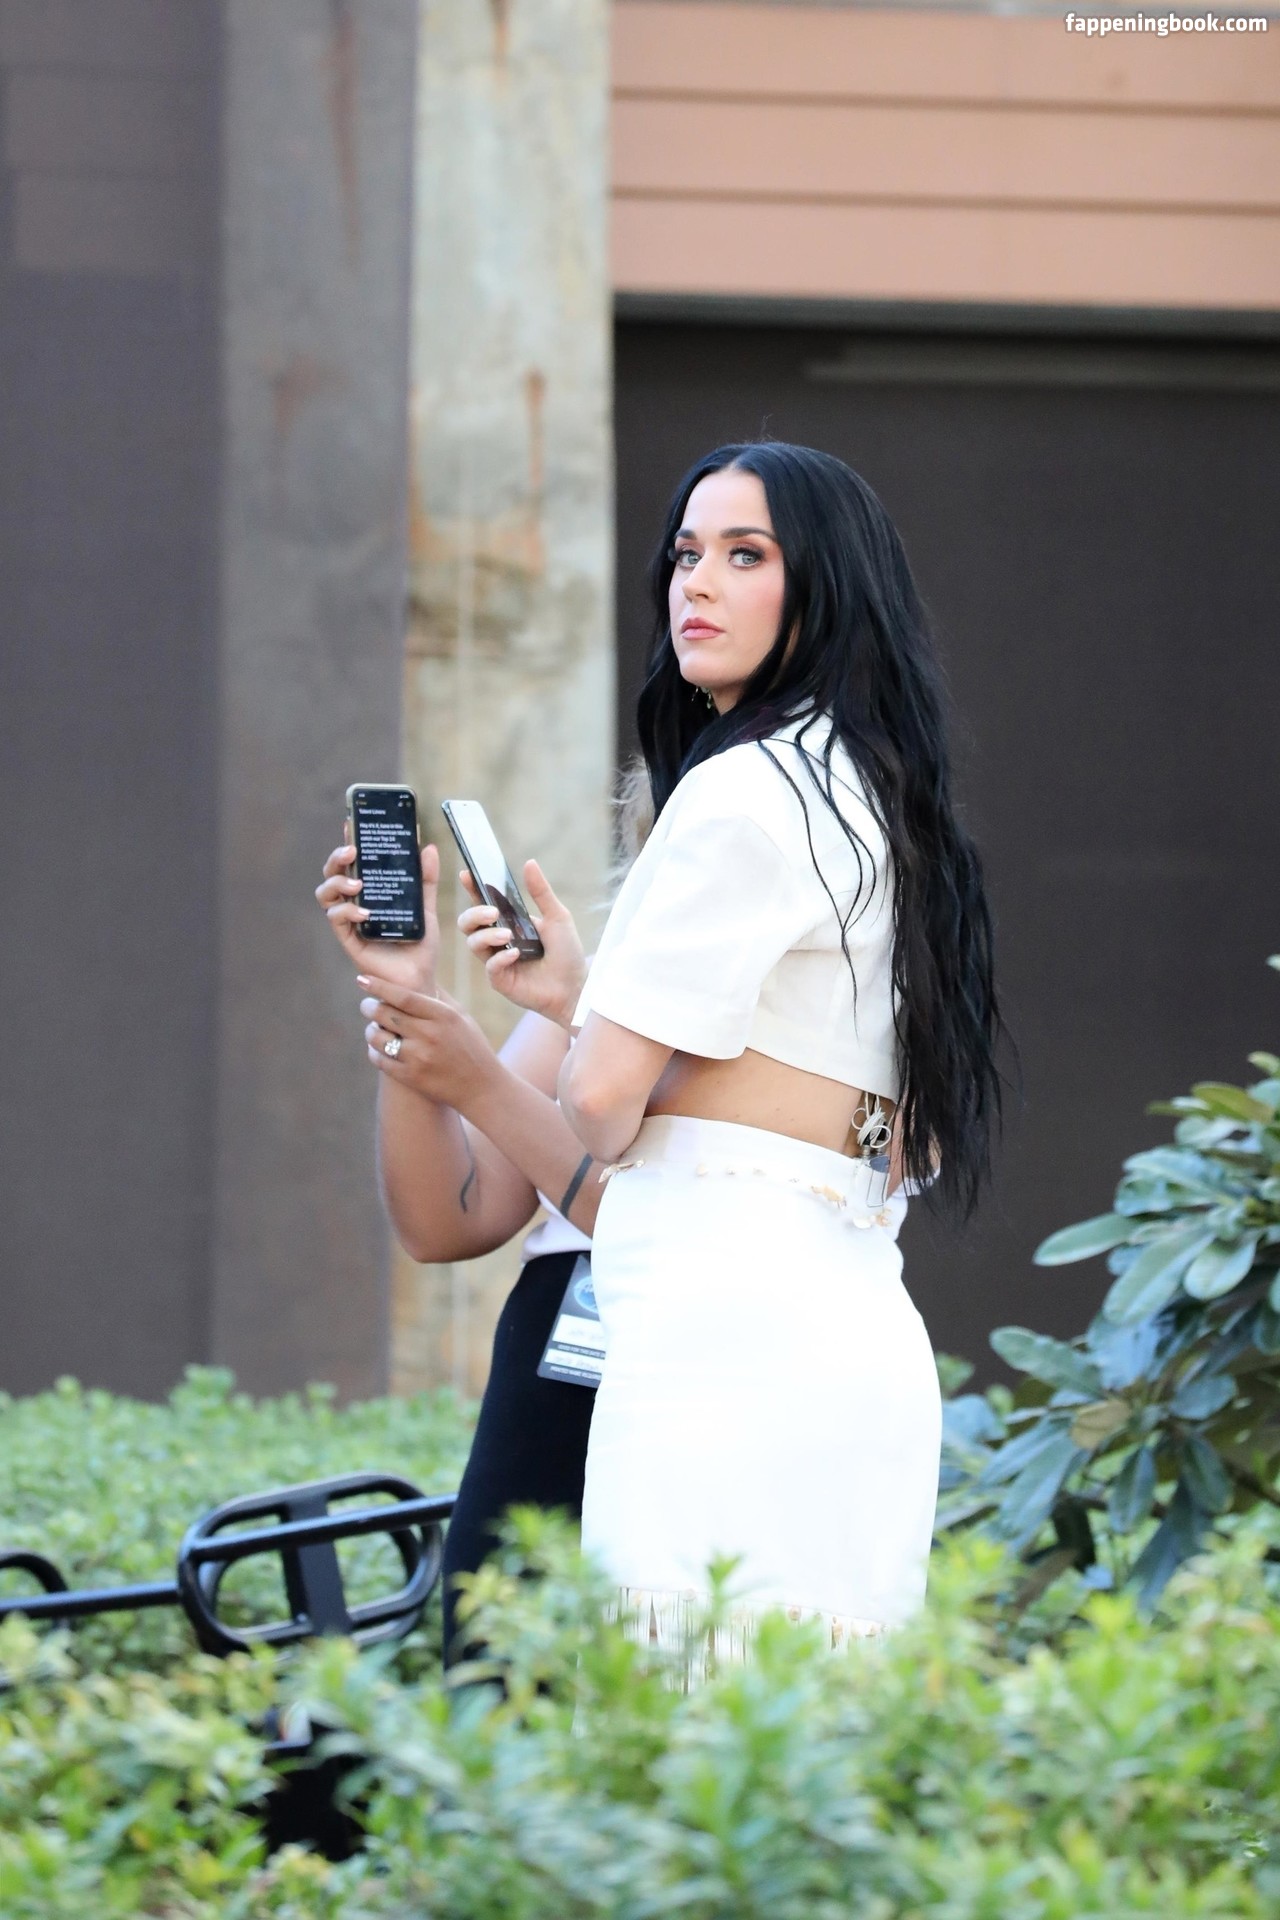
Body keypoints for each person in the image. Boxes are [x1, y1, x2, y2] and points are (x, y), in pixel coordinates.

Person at [467, 441, 1006, 1663]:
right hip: (850, 1324)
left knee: (685, 1725)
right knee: (808, 1744)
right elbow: (866, 1117)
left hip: (720, 1338)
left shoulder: (739, 790)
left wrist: (578, 1044)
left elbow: (602, 1106)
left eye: (744, 554)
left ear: (822, 586)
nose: (695, 584)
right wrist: (586, 1002)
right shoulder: (871, 797)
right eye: (683, 555)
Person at [314, 832, 603, 1662]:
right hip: (553, 1383)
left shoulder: (861, 996)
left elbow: (683, 1225)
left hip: (718, 1370)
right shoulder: (615, 982)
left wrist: (480, 1077)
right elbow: (449, 1218)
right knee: (501, 1692)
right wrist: (407, 993)